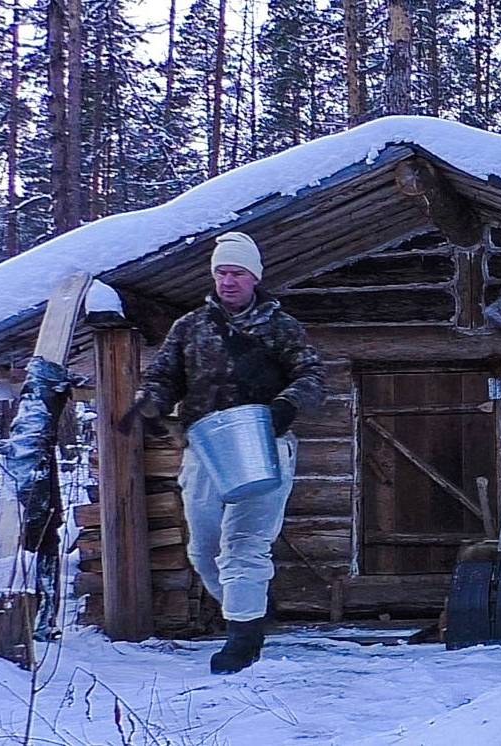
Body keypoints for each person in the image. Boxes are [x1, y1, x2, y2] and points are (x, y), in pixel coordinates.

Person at [128, 231, 325, 674]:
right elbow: (162, 375)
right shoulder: (190, 327)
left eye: (237, 273)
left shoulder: (281, 327)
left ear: (254, 277)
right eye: (221, 272)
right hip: (206, 448)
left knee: (245, 545)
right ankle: (249, 606)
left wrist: (285, 407)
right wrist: (150, 404)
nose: (228, 281)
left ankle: (242, 640)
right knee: (204, 549)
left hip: (265, 444)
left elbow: (313, 376)